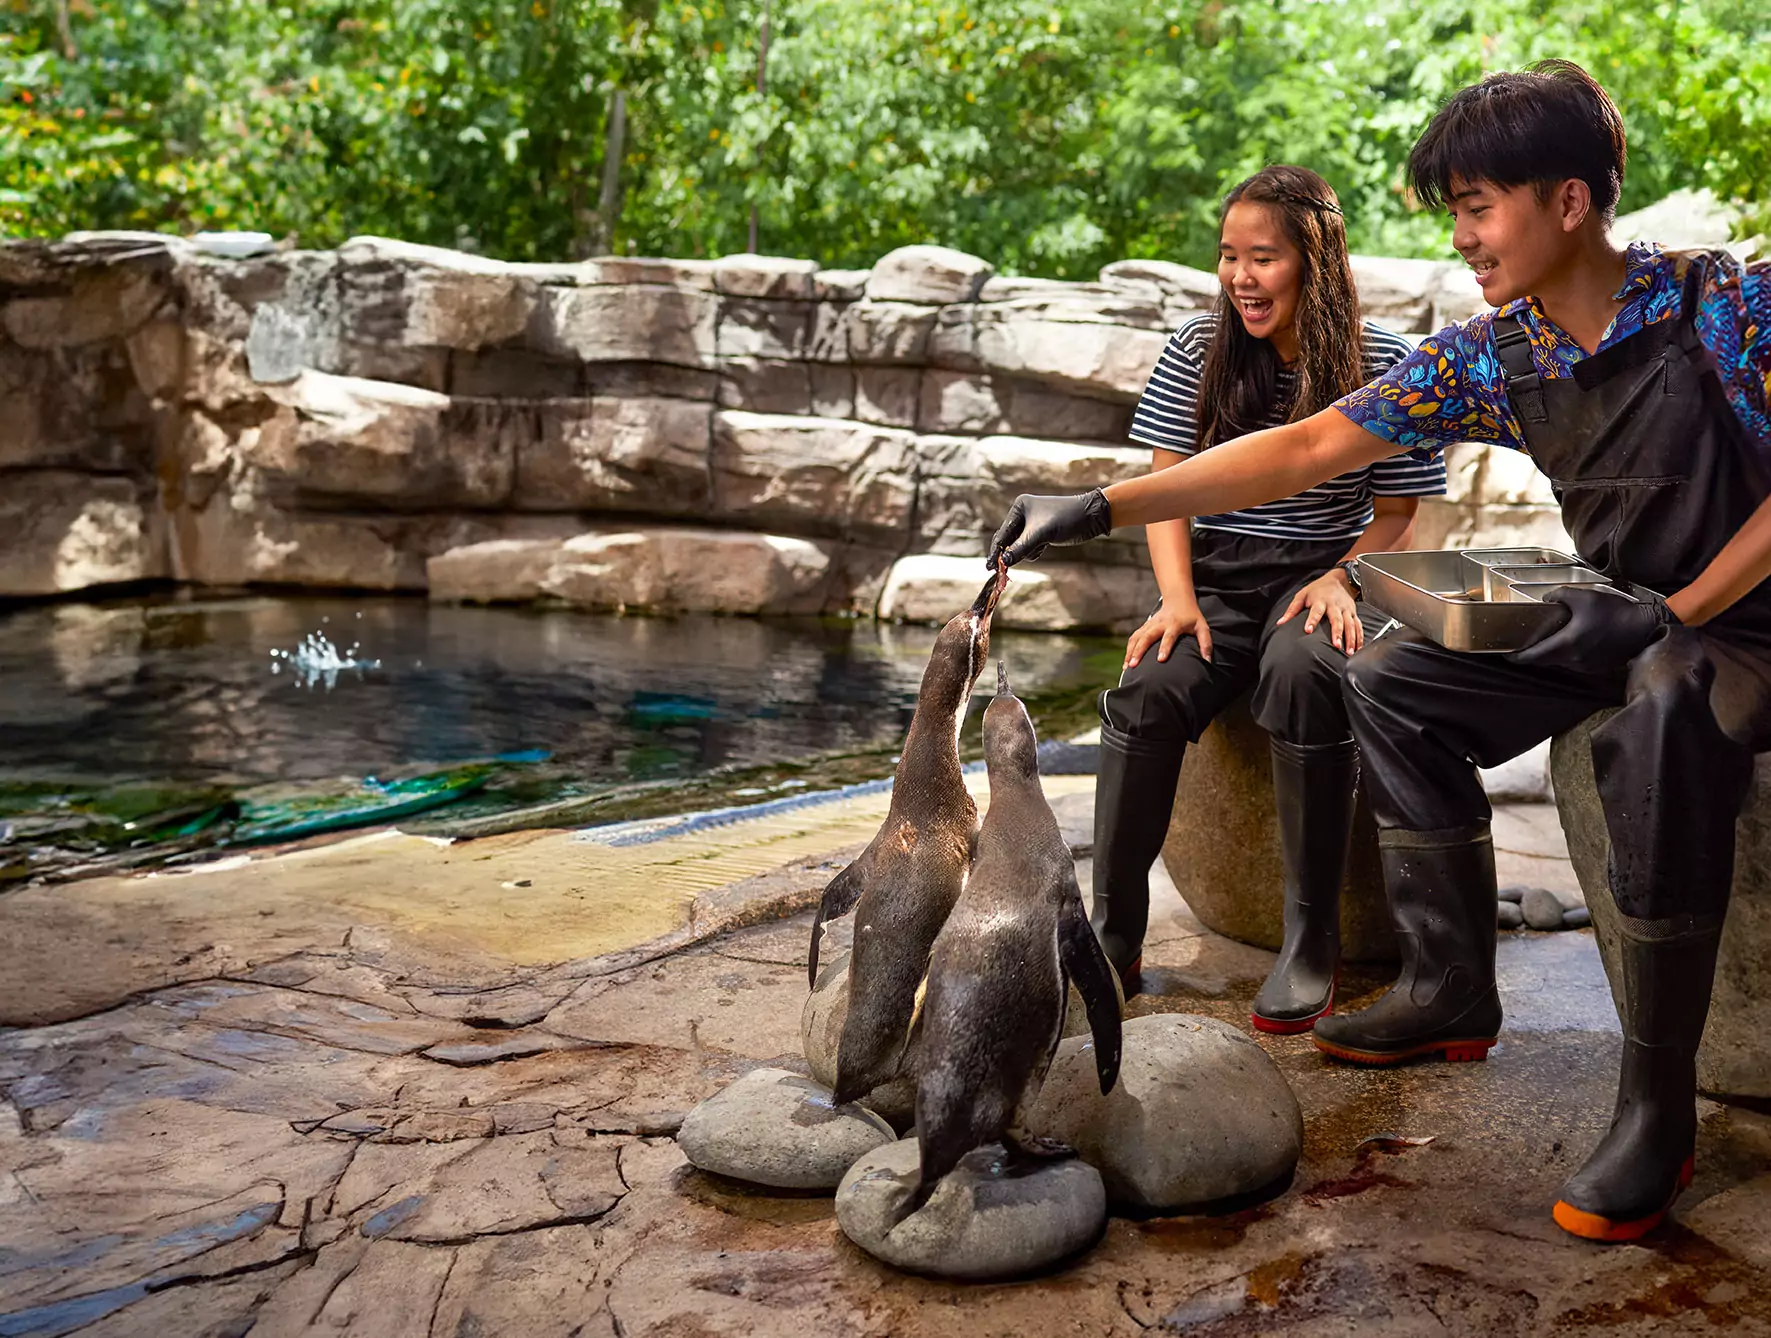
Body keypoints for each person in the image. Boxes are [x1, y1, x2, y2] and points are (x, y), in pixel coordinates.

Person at [985, 59, 1771, 1244]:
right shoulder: (1495, 354)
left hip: (1743, 624)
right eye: (1451, 209)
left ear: (1567, 201)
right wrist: (1101, 505)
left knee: (1659, 704)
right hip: (1632, 608)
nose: (1461, 236)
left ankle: (1655, 1112)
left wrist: (1680, 611)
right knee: (1396, 677)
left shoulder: (1726, 305)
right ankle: (1452, 984)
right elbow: (1305, 449)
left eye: (1475, 206)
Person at [1094, 164, 1443, 1039]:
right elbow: (1164, 489)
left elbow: (1400, 512)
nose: (1239, 277)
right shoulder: (1193, 351)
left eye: (1262, 258)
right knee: (1145, 688)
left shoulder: (1386, 362)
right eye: (1227, 257)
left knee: (1299, 676)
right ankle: (1112, 937)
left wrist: (1341, 576)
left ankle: (1308, 941)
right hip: (1215, 575)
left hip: (1324, 579)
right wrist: (1176, 600)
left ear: (1313, 263)